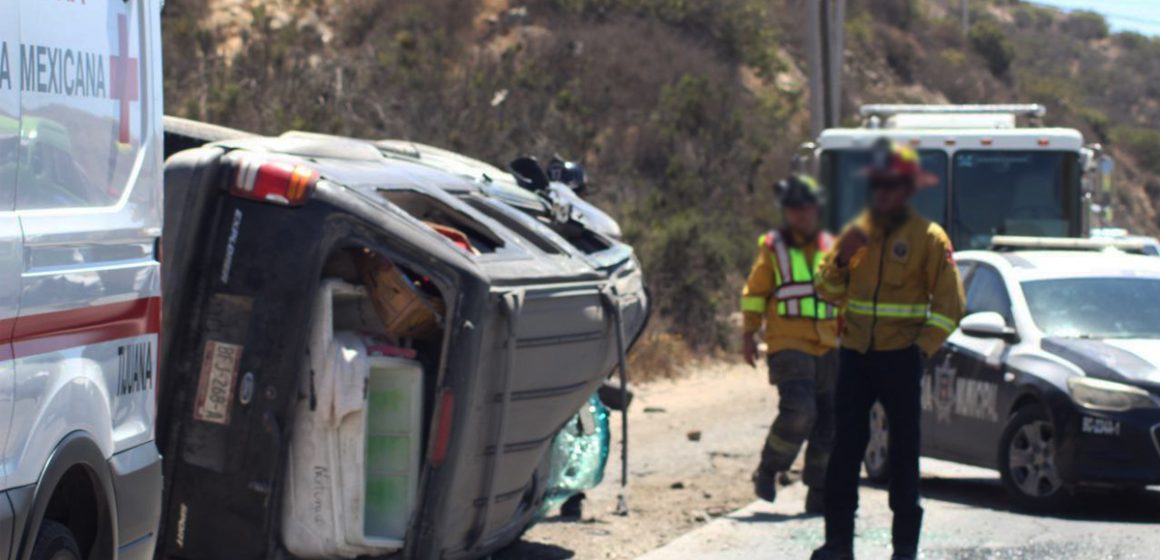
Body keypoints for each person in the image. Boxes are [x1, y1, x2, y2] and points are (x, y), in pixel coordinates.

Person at [810, 139, 966, 560]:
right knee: (845, 449)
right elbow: (825, 290)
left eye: (893, 185)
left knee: (902, 452)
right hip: (856, 355)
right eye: (878, 185)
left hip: (900, 358)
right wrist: (842, 259)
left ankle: (904, 548)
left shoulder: (930, 239)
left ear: (908, 190)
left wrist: (920, 351)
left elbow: (950, 305)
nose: (883, 193)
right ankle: (838, 542)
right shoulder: (856, 233)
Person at [740, 174, 840, 514]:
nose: (801, 215)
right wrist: (748, 333)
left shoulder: (833, 245)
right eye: (794, 210)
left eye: (806, 208)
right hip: (788, 342)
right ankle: (770, 468)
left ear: (816, 209)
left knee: (831, 422)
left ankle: (820, 489)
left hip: (829, 344)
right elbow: (755, 293)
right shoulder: (773, 246)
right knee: (800, 412)